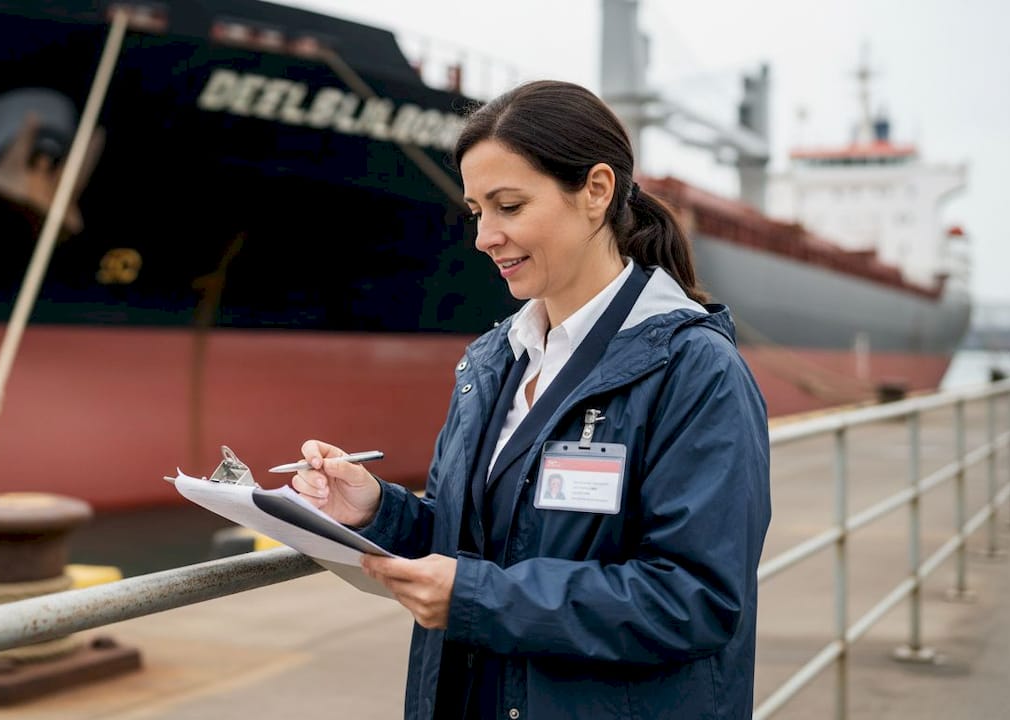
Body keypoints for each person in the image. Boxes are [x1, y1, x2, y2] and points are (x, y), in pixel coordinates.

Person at [290, 79, 771, 720]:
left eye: (509, 206)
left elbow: (696, 599)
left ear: (597, 191)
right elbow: (481, 540)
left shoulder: (696, 371)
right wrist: (378, 510)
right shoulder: (493, 361)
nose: (485, 236)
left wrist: (477, 599)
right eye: (475, 212)